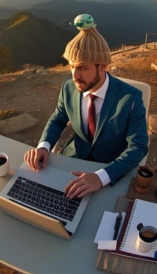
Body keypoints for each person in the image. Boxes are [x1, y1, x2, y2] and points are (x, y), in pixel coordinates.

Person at [24, 16, 148, 199]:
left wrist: (101, 177)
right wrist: (44, 146)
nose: (75, 75)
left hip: (109, 168)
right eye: (72, 67)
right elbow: (58, 119)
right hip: (71, 161)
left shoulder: (131, 98)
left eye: (82, 68)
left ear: (102, 67)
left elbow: (138, 146)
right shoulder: (68, 88)